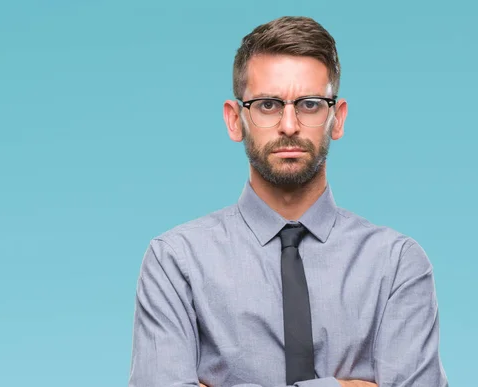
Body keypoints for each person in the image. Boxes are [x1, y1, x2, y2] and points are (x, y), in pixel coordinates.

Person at [128, 16, 448, 387]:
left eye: (310, 104)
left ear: (337, 118)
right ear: (235, 120)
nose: (290, 125)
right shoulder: (174, 261)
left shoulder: (397, 264)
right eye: (268, 105)